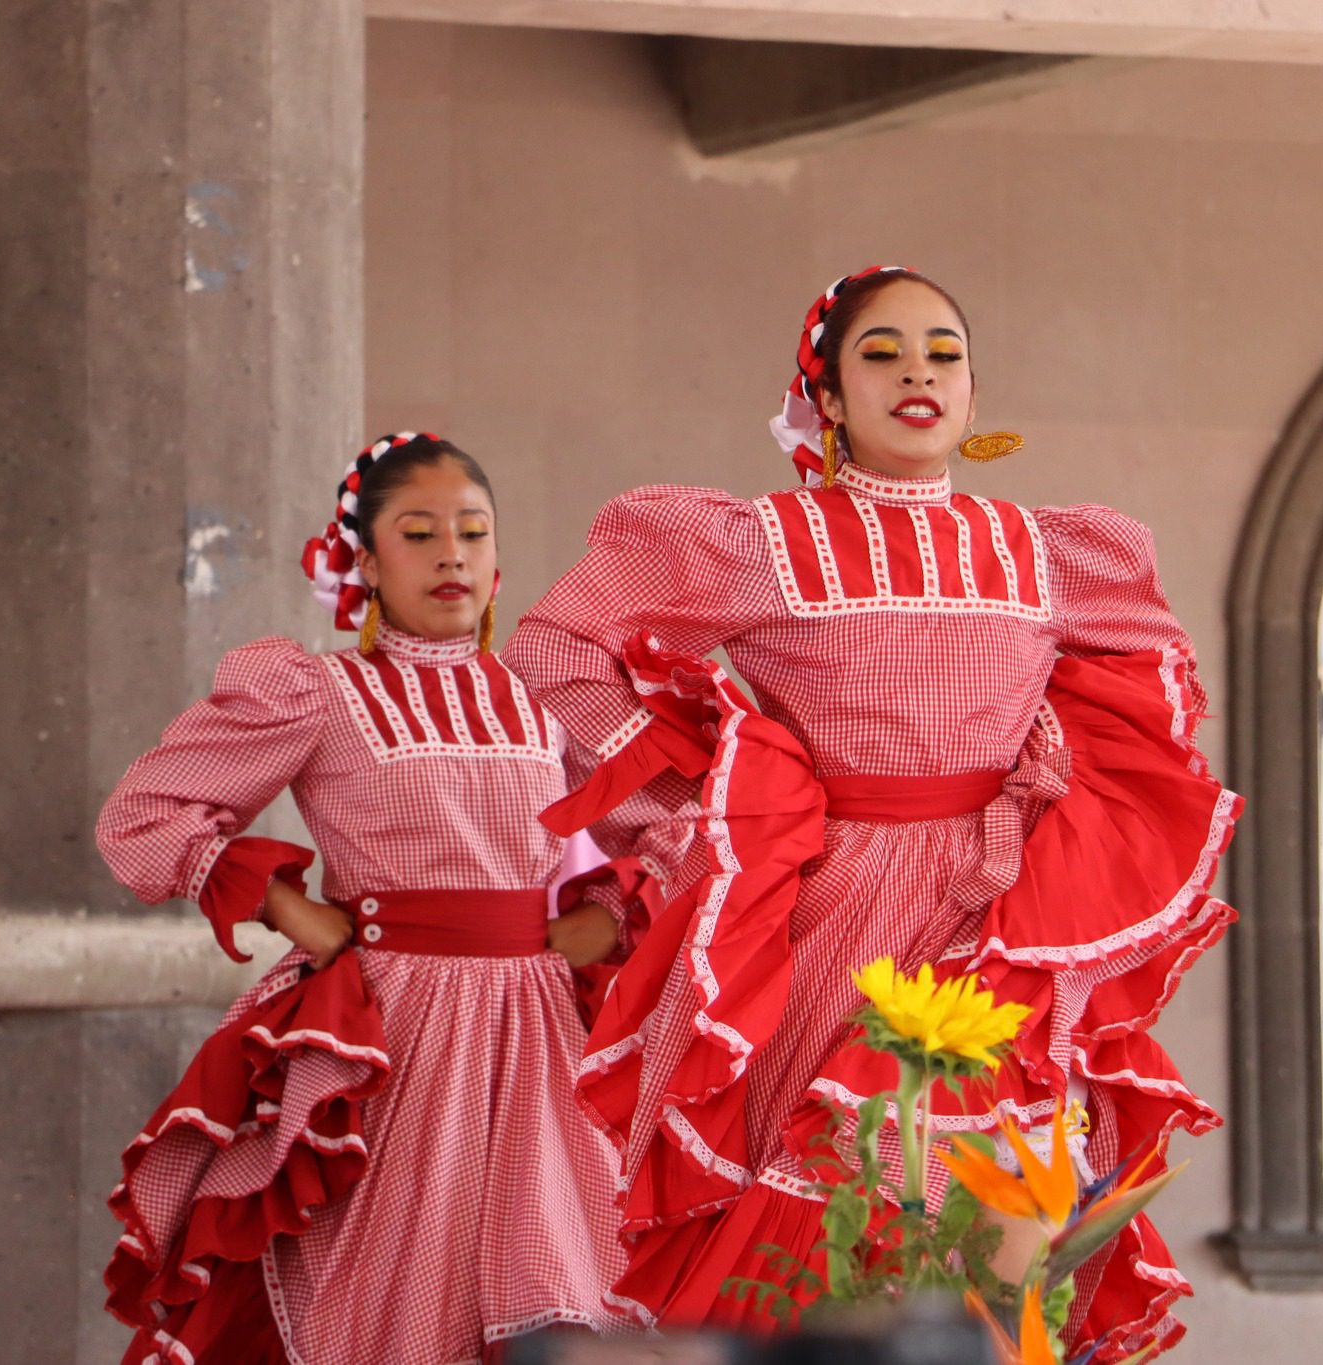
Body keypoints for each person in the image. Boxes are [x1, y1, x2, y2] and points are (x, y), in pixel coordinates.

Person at [502, 268, 1243, 1361]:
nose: (918, 374)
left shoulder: (1045, 552)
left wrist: (1051, 785)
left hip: (998, 913)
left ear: (974, 394)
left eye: (943, 354)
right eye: (882, 354)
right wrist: (701, 804)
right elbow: (555, 648)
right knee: (824, 1214)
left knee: (998, 1220)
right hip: (830, 916)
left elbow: (1149, 695)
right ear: (828, 400)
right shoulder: (763, 542)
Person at [98, 434, 681, 1365]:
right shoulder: (318, 692)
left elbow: (677, 824)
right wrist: (288, 907)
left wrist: (608, 914)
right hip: (386, 1036)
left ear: (498, 561)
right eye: (419, 533)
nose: (452, 552)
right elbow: (143, 814)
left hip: (534, 1031)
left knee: (560, 1289)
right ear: (365, 561)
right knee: (380, 1296)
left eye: (473, 532)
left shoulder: (549, 698)